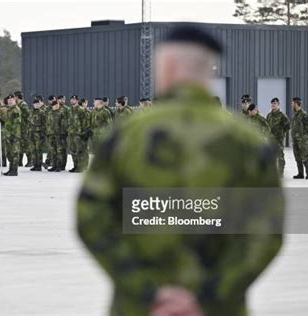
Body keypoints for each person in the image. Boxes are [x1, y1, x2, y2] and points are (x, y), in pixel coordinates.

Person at [76, 25, 284, 316]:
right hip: (219, 307)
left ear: (167, 65)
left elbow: (91, 219)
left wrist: (148, 290)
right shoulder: (248, 142)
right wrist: (209, 294)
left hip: (140, 307)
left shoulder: (124, 136)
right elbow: (267, 233)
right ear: (208, 69)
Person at [266, 97, 290, 176]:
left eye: (275, 104)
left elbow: (288, 125)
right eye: (272, 104)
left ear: (278, 105)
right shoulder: (269, 115)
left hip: (279, 139)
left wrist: (282, 133)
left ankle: (280, 173)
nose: (273, 105)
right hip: (270, 139)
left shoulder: (282, 115)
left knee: (280, 156)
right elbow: (267, 126)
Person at [290, 97, 308, 179]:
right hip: (295, 140)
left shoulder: (303, 114)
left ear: (296, 104)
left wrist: (305, 137)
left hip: (301, 140)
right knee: (297, 157)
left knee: (304, 156)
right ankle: (300, 174)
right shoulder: (295, 114)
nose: (291, 104)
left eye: (292, 103)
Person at [67, 95, 89, 172]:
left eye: (73, 99)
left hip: (79, 133)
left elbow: (85, 122)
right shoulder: (70, 110)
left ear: (77, 100)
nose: (72, 101)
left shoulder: (81, 110)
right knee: (73, 151)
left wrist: (84, 133)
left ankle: (81, 167)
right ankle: (75, 166)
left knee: (80, 151)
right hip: (72, 133)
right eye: (71, 99)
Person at [3, 94, 22, 176]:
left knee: (14, 153)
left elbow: (16, 123)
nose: (10, 101)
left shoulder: (16, 110)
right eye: (9, 100)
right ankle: (10, 169)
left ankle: (14, 170)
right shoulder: (8, 110)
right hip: (7, 135)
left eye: (12, 100)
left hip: (14, 135)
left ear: (15, 100)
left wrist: (13, 135)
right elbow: (7, 121)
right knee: (8, 153)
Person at [15, 91, 32, 167]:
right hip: (19, 127)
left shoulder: (23, 105)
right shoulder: (18, 105)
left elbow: (27, 115)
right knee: (20, 145)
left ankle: (30, 161)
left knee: (26, 145)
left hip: (24, 127)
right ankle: (20, 161)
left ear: (17, 97)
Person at [29, 97, 46, 171]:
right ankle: (35, 164)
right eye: (35, 104)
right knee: (33, 150)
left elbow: (44, 124)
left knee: (38, 150)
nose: (36, 105)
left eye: (38, 104)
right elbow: (29, 122)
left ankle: (39, 165)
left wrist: (42, 133)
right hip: (31, 133)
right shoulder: (31, 112)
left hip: (38, 134)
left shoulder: (42, 113)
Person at [46, 100, 63, 172]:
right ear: (52, 106)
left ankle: (59, 166)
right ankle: (54, 165)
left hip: (58, 134)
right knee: (53, 151)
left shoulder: (61, 113)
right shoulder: (49, 113)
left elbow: (63, 124)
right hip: (51, 134)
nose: (57, 106)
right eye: (55, 105)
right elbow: (47, 123)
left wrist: (62, 133)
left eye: (58, 105)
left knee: (59, 151)